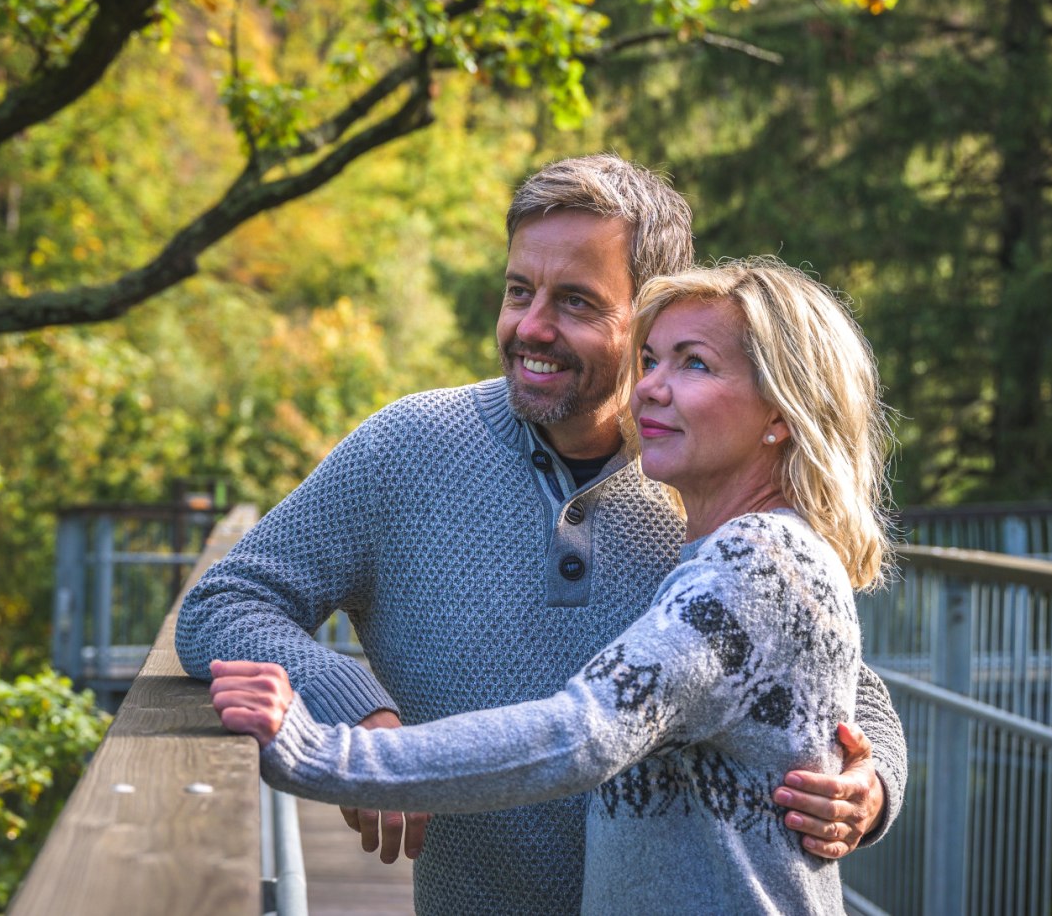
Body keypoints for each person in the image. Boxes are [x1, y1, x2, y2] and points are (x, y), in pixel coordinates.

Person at [174, 156, 906, 915]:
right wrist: (356, 706)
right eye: (519, 290)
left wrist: (871, 779)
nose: (531, 326)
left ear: (646, 309)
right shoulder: (407, 448)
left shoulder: (700, 485)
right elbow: (223, 605)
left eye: (578, 303)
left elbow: (837, 681)